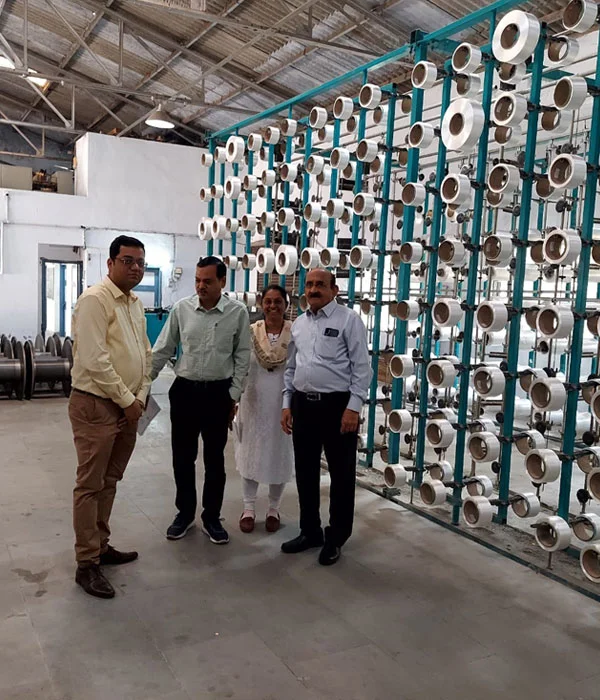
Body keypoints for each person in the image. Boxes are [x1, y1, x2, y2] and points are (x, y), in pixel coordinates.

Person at [69, 235, 152, 599]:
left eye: (140, 262)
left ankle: (100, 545)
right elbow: (94, 359)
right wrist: (126, 399)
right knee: (90, 484)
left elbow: (146, 355)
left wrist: (140, 396)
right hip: (96, 405)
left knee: (110, 480)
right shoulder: (95, 300)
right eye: (128, 261)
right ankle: (86, 564)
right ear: (110, 263)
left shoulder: (134, 303)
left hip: (128, 406)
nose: (135, 268)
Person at [151, 256, 250, 545]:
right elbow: (163, 348)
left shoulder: (237, 313)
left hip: (218, 395)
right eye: (197, 280)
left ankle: (211, 517)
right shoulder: (182, 309)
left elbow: (242, 356)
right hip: (185, 392)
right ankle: (184, 514)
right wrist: (142, 383)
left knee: (215, 460)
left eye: (207, 281)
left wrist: (233, 395)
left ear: (222, 281)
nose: (200, 286)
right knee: (183, 458)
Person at [281, 269, 371, 566]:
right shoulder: (299, 324)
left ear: (334, 289)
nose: (313, 289)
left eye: (320, 284)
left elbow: (362, 368)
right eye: (309, 284)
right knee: (305, 472)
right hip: (303, 405)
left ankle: (336, 537)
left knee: (341, 475)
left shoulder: (349, 320)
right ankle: (310, 531)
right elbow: (291, 368)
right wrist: (286, 404)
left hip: (337, 407)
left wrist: (353, 407)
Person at [234, 284, 294, 534]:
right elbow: (239, 364)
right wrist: (234, 397)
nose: (272, 306)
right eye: (268, 301)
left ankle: (273, 509)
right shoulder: (250, 332)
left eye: (278, 301)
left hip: (283, 404)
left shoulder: (295, 333)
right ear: (261, 303)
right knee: (251, 452)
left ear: (286, 304)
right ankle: (248, 508)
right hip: (253, 401)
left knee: (279, 453)